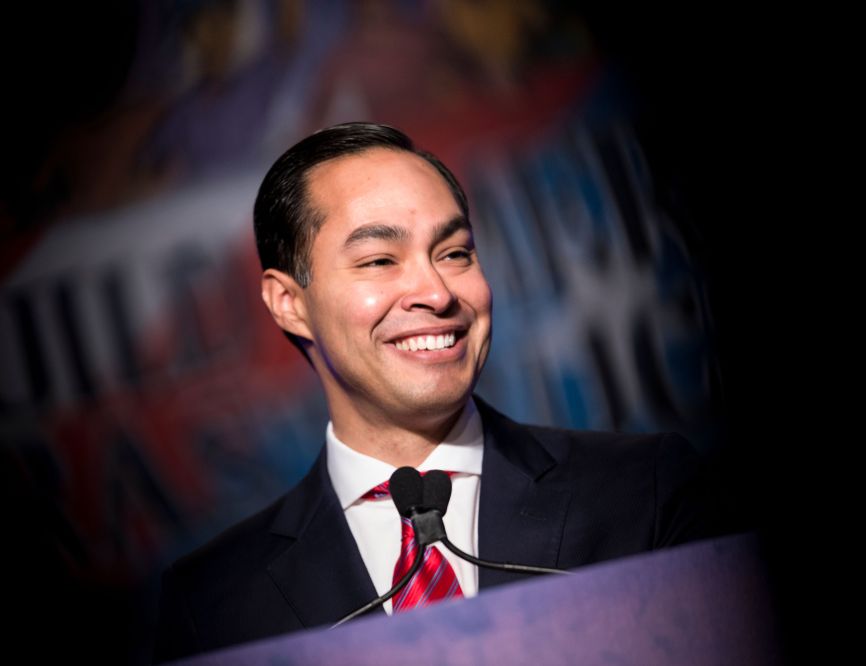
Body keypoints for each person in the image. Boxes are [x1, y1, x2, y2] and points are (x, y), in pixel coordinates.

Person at [152, 122, 721, 662]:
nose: (437, 291)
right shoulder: (212, 604)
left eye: (454, 253)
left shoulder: (644, 496)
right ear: (289, 303)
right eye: (380, 260)